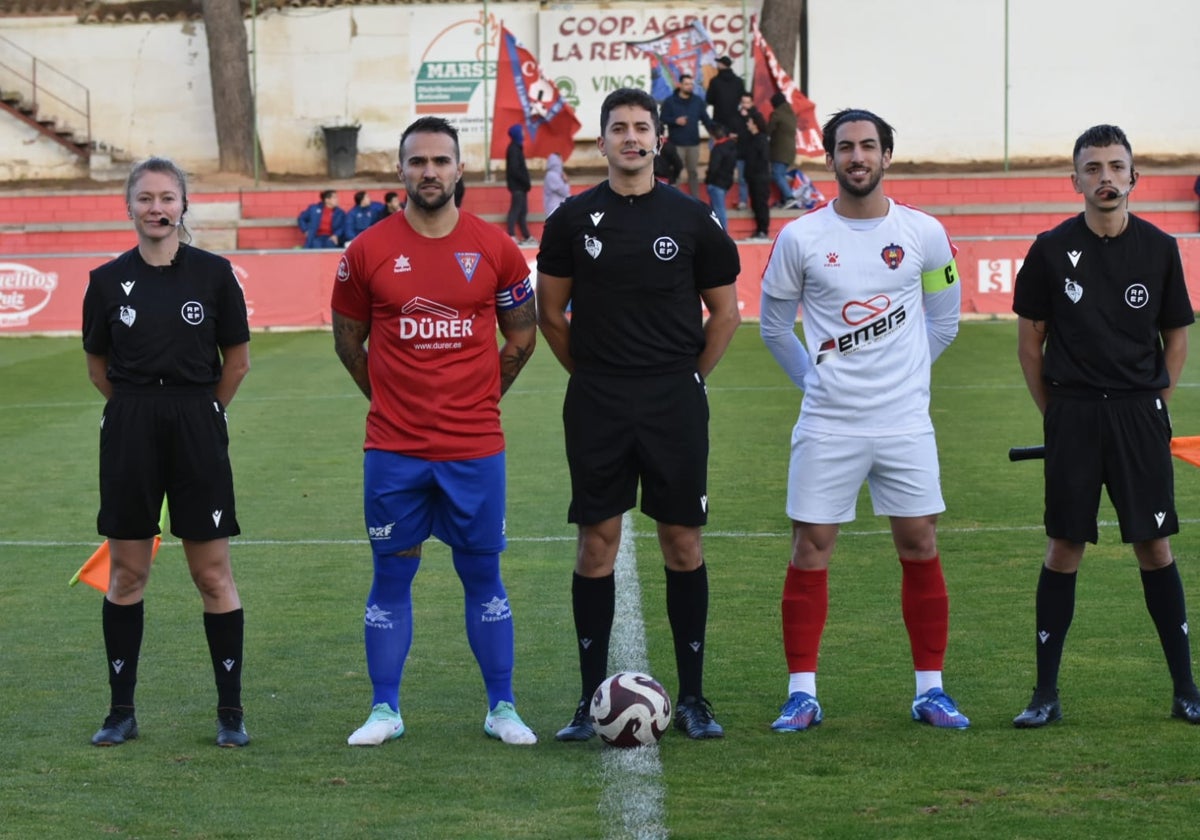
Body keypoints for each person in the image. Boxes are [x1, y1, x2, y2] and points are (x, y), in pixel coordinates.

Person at [536, 87, 742, 741]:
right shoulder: (571, 220)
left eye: (641, 128)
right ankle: (586, 700)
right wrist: (596, 378)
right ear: (601, 142)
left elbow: (727, 312)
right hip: (597, 400)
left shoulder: (692, 218)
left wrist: (686, 379)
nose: (631, 137)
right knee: (596, 544)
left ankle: (695, 698)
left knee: (682, 543)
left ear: (658, 140)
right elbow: (550, 313)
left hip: (672, 401)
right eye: (618, 128)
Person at [331, 116, 540, 747]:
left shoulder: (498, 248)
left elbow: (522, 337)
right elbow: (348, 342)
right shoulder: (365, 251)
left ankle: (502, 707)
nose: (429, 172)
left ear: (460, 170)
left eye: (440, 161)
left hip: (473, 449)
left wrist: (480, 399)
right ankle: (384, 710)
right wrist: (389, 400)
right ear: (400, 171)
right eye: (417, 161)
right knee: (391, 574)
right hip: (393, 451)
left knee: (483, 576)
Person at [758, 108, 968, 733]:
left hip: (904, 422)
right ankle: (802, 693)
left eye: (868, 146)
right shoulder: (800, 238)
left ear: (886, 156)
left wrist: (906, 378)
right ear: (829, 159)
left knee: (920, 543)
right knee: (811, 548)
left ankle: (930, 690)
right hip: (829, 424)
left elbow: (945, 320)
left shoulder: (926, 233)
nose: (857, 157)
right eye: (845, 147)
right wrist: (816, 381)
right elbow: (773, 326)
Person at [1011, 124, 1200, 728]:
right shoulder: (1048, 248)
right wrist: (1059, 417)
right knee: (1065, 546)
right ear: (1075, 181)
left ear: (1133, 177)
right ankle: (1045, 694)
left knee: (1153, 544)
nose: (1106, 179)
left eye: (1116, 167)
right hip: (1073, 413)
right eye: (1092, 169)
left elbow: (1176, 339)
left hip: (1138, 414)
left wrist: (1154, 407)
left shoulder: (1160, 248)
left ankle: (1185, 689)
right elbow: (1030, 345)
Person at [81, 157, 252, 748]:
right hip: (130, 424)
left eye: (168, 198)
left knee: (211, 574)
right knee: (127, 573)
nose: (157, 208)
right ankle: (120, 712)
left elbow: (237, 362)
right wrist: (138, 409)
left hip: (196, 423)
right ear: (128, 206)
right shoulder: (105, 281)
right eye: (146, 198)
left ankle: (230, 713)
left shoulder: (214, 274)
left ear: (184, 206)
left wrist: (203, 413)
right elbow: (98, 367)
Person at [658, 74, 715, 196]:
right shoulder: (670, 101)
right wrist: (675, 121)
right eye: (687, 84)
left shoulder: (697, 101)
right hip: (676, 144)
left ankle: (695, 199)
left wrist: (716, 132)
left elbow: (706, 119)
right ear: (680, 85)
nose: (690, 87)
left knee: (693, 173)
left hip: (693, 144)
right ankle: (675, 199)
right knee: (676, 172)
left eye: (691, 84)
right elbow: (662, 118)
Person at [742, 110, 772, 242]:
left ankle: (763, 230)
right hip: (752, 177)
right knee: (755, 203)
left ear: (755, 123)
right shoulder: (751, 138)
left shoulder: (761, 139)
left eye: (749, 121)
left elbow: (763, 159)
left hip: (760, 177)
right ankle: (759, 229)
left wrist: (755, 172)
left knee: (761, 204)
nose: (747, 124)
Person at [767, 91, 800, 209]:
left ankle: (790, 197)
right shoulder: (791, 114)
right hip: (791, 150)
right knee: (781, 174)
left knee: (777, 174)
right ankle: (784, 200)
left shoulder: (777, 114)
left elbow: (768, 130)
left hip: (779, 150)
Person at [504, 124, 536, 246]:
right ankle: (511, 235)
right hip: (517, 186)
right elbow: (515, 169)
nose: (523, 133)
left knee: (523, 211)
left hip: (521, 187)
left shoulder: (517, 147)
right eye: (521, 131)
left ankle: (526, 236)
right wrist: (525, 181)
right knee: (516, 210)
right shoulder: (513, 149)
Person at [733, 91, 763, 210]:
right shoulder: (736, 116)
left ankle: (755, 201)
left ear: (752, 103)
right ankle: (743, 201)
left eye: (747, 102)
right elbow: (735, 129)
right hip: (741, 152)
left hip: (754, 153)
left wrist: (747, 117)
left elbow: (760, 130)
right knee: (742, 179)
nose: (745, 105)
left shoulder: (756, 115)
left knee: (754, 178)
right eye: (743, 102)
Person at [705, 122, 737, 231]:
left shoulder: (717, 149)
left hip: (716, 182)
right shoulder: (732, 147)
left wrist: (708, 179)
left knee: (718, 210)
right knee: (717, 209)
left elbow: (713, 167)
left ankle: (723, 233)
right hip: (726, 181)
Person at [705, 56, 744, 141]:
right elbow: (742, 99)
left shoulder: (715, 81)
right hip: (735, 120)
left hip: (719, 120)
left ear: (721, 65)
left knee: (719, 146)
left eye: (718, 63)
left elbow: (709, 99)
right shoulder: (739, 81)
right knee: (733, 148)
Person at [543, 152, 571, 217]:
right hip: (555, 208)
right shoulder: (552, 175)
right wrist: (566, 181)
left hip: (559, 208)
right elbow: (564, 191)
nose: (561, 162)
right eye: (560, 159)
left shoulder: (557, 175)